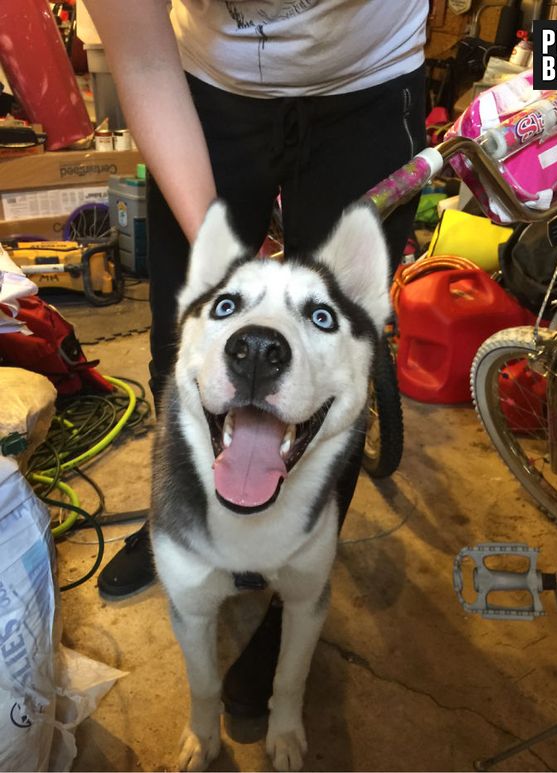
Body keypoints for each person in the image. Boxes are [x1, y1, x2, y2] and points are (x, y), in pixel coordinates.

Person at [85, 0, 428, 719]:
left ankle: (296, 576)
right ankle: (179, 527)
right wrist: (223, 269)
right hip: (207, 88)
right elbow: (141, 58)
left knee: (328, 377)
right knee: (188, 347)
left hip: (369, 84)